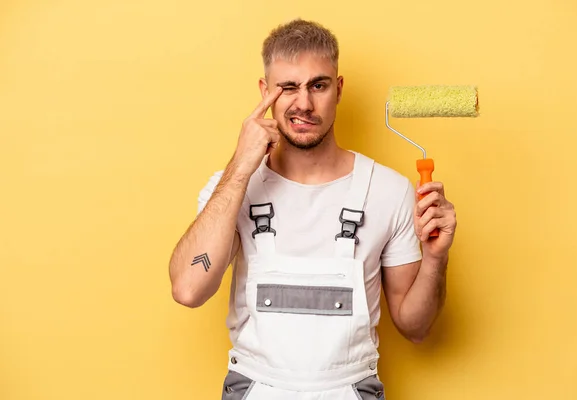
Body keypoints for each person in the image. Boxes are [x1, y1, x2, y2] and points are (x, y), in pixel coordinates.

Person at [169, 18, 457, 400]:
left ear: (338, 89)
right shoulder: (232, 187)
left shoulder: (388, 191)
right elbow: (188, 288)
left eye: (317, 85)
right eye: (287, 87)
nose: (303, 103)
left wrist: (436, 258)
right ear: (264, 91)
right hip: (255, 388)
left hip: (351, 389)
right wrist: (241, 167)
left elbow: (415, 327)